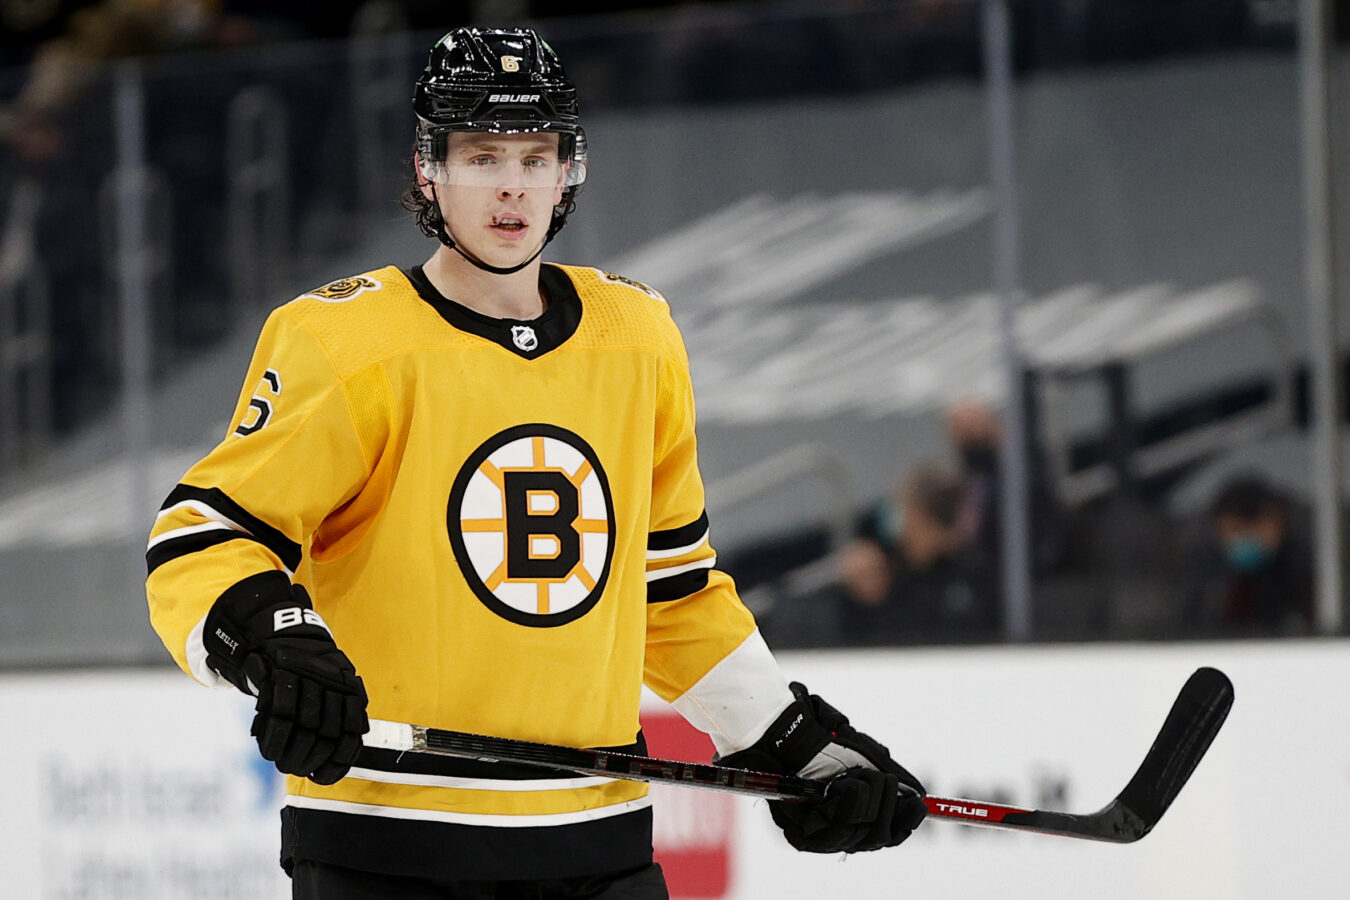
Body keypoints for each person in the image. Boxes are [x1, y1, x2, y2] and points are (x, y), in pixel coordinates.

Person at [145, 26, 926, 899]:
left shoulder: (638, 338)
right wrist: (271, 643)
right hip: (387, 846)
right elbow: (203, 536)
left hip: (596, 841)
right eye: (481, 156)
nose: (512, 184)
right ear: (427, 169)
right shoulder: (345, 341)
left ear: (569, 169)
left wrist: (785, 737)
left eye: (536, 154)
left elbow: (669, 590)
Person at [837, 460, 999, 644]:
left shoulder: (973, 578)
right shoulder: (884, 567)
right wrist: (866, 599)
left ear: (919, 513)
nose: (895, 516)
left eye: (901, 506)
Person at [1181, 473, 1315, 636]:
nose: (1245, 538)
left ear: (1276, 524)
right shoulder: (1205, 577)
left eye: (1255, 529)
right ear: (1218, 531)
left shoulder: (1311, 571)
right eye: (1235, 530)